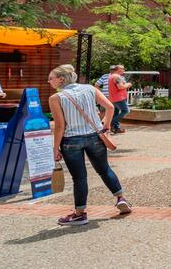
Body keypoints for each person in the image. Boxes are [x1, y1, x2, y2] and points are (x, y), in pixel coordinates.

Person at [47, 64, 131, 225]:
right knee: (104, 169)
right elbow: (110, 107)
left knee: (79, 177)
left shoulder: (56, 98)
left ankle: (80, 213)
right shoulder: (90, 89)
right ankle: (120, 198)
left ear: (61, 79)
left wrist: (55, 148)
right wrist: (105, 125)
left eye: (51, 78)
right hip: (95, 136)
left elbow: (59, 126)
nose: (48, 81)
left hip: (71, 140)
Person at [107, 65, 131, 134]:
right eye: (123, 69)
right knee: (126, 110)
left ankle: (116, 128)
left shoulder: (111, 76)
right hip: (119, 98)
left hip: (113, 98)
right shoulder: (117, 77)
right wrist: (128, 84)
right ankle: (112, 122)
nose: (124, 70)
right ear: (118, 69)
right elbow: (120, 87)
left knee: (116, 112)